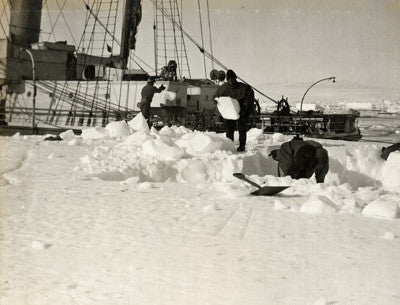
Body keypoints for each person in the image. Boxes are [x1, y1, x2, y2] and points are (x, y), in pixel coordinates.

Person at [213, 69, 254, 152]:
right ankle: (230, 145)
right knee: (229, 129)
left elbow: (249, 100)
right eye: (229, 79)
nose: (231, 81)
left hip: (242, 110)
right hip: (230, 111)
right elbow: (216, 96)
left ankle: (242, 146)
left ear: (235, 78)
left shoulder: (244, 88)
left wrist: (244, 110)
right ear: (227, 80)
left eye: (233, 79)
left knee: (242, 128)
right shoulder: (224, 88)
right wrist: (215, 100)